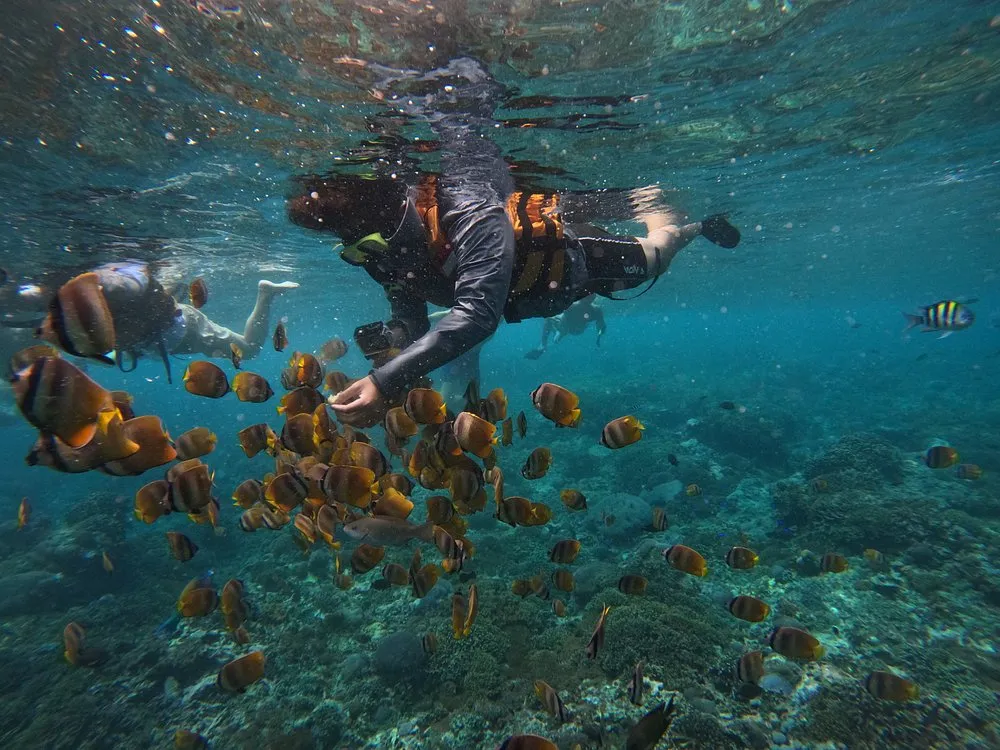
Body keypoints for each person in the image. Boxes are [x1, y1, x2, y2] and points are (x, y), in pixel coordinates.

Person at [288, 172, 739, 426]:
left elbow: (477, 317)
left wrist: (387, 381)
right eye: (351, 252)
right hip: (541, 295)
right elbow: (413, 321)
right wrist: (391, 339)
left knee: (654, 257)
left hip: (576, 260)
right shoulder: (392, 255)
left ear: (383, 222)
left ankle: (687, 226)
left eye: (360, 245)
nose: (362, 260)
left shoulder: (465, 215)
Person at [0, 260, 298, 381]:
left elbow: (132, 285)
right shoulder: (74, 306)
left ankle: (265, 294)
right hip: (168, 336)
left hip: (186, 329)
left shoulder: (92, 292)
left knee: (250, 350)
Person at [525, 293, 606, 360]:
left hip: (568, 327)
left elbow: (601, 325)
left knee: (549, 318)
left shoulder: (576, 305)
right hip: (577, 330)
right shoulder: (596, 309)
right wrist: (599, 336)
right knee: (554, 320)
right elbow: (601, 325)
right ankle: (557, 335)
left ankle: (545, 343)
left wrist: (599, 336)